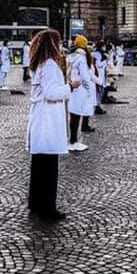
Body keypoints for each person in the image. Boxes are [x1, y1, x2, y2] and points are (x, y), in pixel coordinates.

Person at [26, 29, 79, 222]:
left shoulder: (41, 63)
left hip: (43, 119)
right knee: (49, 168)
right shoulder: (49, 65)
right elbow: (51, 93)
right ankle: (48, 209)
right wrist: (70, 87)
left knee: (39, 166)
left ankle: (36, 203)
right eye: (59, 43)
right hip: (48, 120)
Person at [68, 35, 95, 151]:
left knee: (73, 115)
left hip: (72, 87)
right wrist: (89, 89)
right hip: (80, 88)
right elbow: (85, 76)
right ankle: (74, 141)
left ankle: (72, 139)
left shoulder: (71, 56)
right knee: (77, 114)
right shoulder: (82, 58)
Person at [93, 44, 108, 114]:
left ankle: (98, 105)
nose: (104, 47)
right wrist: (105, 62)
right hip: (99, 74)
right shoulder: (97, 54)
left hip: (102, 74)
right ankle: (97, 106)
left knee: (101, 91)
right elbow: (98, 64)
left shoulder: (102, 53)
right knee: (98, 92)